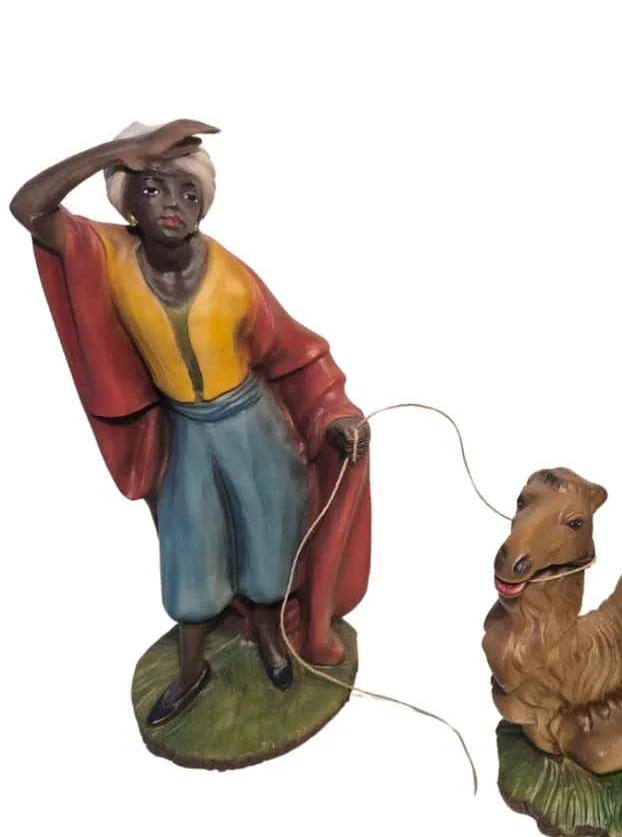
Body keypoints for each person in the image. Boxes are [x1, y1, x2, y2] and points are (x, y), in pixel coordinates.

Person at [10, 119, 372, 725]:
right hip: (188, 431)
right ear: (127, 202)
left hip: (254, 425)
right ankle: (190, 668)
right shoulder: (106, 254)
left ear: (204, 206)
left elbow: (295, 352)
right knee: (189, 545)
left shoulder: (232, 277)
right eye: (152, 189)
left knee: (270, 536)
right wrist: (123, 151)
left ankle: (270, 638)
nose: (172, 204)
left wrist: (335, 415)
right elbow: (27, 206)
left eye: (188, 192)